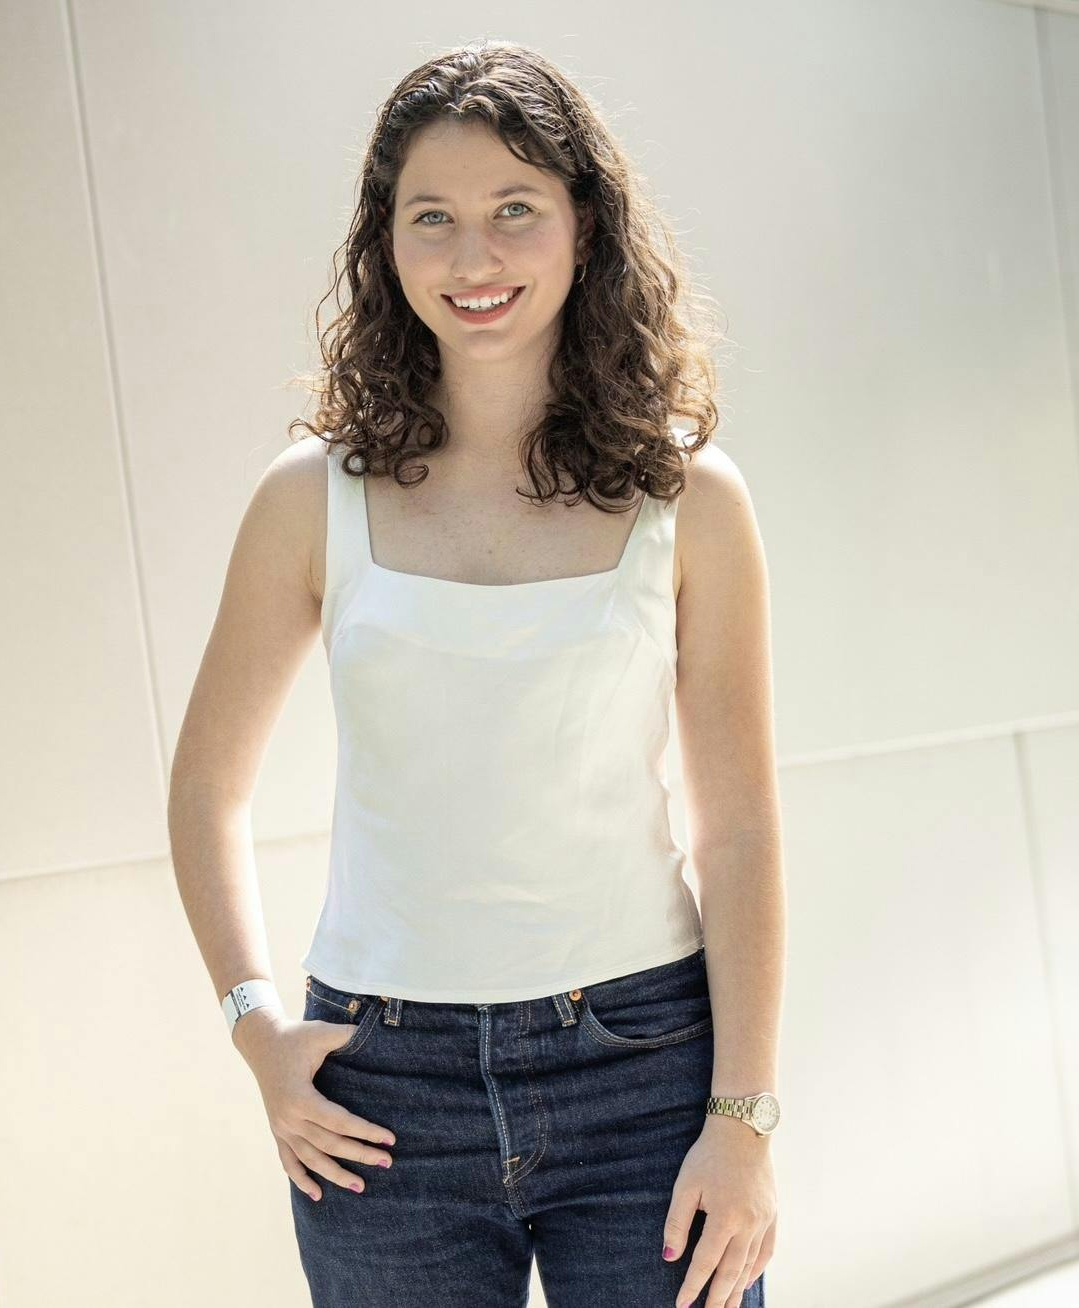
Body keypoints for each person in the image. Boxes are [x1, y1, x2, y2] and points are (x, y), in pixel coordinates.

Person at [169, 38, 786, 1308]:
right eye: (431, 219)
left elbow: (740, 832)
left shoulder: (690, 498)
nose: (474, 260)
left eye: (515, 211)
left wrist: (745, 1119)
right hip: (381, 1095)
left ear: (584, 227)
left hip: (645, 1072)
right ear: (385, 246)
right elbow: (205, 794)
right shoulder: (311, 500)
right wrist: (255, 1031)